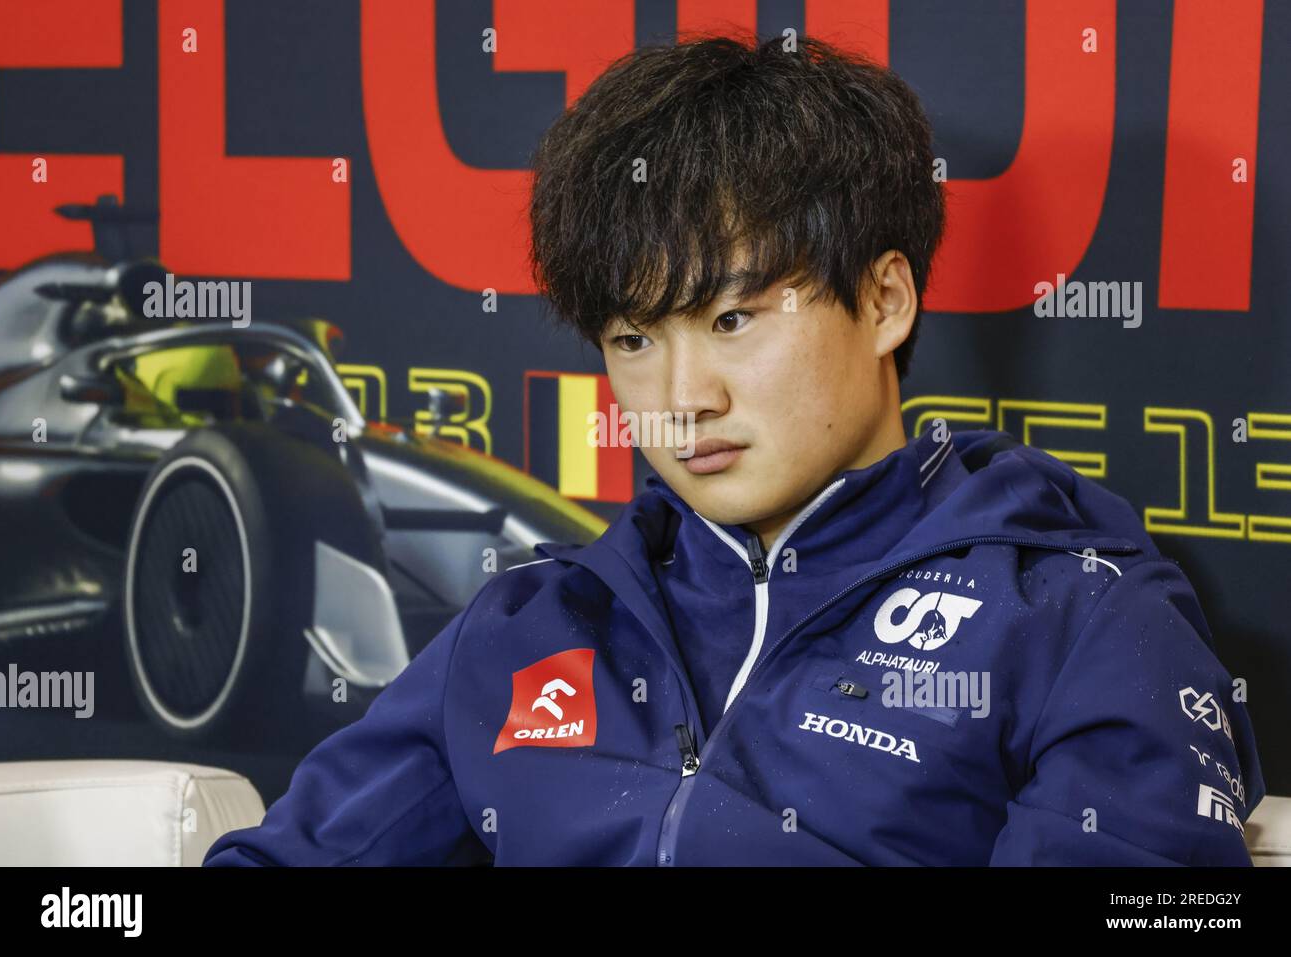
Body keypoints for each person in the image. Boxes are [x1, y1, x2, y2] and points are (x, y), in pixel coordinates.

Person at [203, 34, 1263, 866]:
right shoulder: (530, 625)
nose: (680, 400)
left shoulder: (1076, 611)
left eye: (732, 320)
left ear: (885, 299)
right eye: (631, 340)